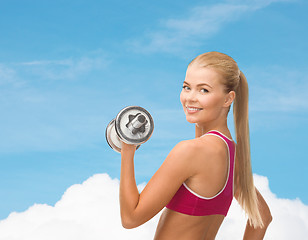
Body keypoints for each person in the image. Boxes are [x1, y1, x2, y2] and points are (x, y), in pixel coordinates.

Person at [119, 51, 272, 239]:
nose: (190, 97)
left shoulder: (190, 151)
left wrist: (127, 148)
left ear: (228, 99)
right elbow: (262, 218)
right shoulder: (232, 154)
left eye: (204, 90)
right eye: (186, 87)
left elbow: (131, 218)